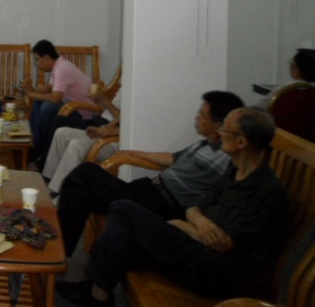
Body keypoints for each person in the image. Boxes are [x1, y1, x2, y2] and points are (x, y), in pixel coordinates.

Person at [57, 107, 287, 306]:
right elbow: (195, 209)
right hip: (195, 246)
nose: (221, 132)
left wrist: (183, 224)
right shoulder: (235, 171)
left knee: (123, 209)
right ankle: (97, 295)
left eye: (226, 129)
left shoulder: (266, 191)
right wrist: (196, 221)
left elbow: (221, 244)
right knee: (121, 230)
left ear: (241, 142)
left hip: (216, 270)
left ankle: (94, 292)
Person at [57, 90, 244, 257]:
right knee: (79, 194)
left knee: (86, 171)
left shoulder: (227, 156)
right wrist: (134, 153)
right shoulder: (203, 145)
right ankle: (59, 254)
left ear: (219, 124)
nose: (197, 118)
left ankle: (58, 251)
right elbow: (171, 158)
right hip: (149, 190)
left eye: (202, 115)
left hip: (163, 203)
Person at [23, 40, 92, 170]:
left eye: (37, 60)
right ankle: (36, 146)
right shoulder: (59, 65)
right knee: (39, 101)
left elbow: (55, 99)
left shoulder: (62, 69)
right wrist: (31, 89)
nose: (36, 64)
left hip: (83, 112)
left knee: (47, 107)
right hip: (70, 106)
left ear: (46, 58)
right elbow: (49, 88)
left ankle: (39, 151)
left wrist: (31, 94)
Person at [43, 89, 121, 198]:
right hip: (107, 128)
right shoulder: (125, 88)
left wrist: (112, 131)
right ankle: (49, 179)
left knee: (76, 145)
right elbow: (120, 118)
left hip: (118, 141)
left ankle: (60, 195)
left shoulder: (138, 92)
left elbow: (130, 125)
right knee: (61, 133)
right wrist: (104, 128)